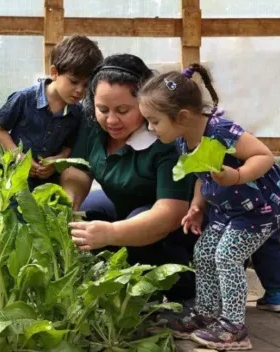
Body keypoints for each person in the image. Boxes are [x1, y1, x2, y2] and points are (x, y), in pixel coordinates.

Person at [138, 63, 280, 350]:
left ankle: (234, 327)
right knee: (203, 251)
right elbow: (202, 175)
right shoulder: (183, 140)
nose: (151, 128)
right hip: (229, 209)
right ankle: (207, 312)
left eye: (154, 121)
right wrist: (197, 206)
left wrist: (236, 175)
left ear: (183, 116)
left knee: (226, 256)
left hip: (260, 209)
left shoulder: (222, 131)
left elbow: (264, 156)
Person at [65, 54, 197, 303]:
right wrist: (70, 198)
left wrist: (111, 233)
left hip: (176, 230)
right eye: (103, 109)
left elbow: (170, 213)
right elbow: (78, 170)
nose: (111, 120)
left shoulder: (165, 140)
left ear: (146, 105)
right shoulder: (94, 126)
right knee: (85, 213)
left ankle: (175, 287)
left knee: (135, 224)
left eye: (123, 110)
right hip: (123, 205)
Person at [0, 35, 103, 190]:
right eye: (74, 82)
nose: (80, 90)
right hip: (10, 178)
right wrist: (18, 156)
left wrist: (57, 162)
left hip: (46, 184)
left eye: (86, 85)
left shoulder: (78, 112)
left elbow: (69, 146)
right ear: (54, 73)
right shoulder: (24, 98)